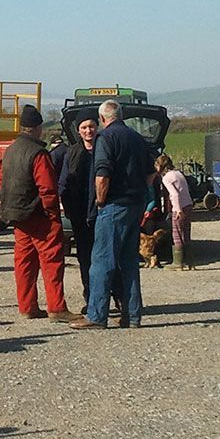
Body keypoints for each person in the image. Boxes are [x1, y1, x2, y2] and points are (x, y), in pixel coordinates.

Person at [71, 99, 154, 330]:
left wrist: (100, 201)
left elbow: (102, 175)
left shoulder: (105, 138)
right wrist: (142, 196)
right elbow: (151, 172)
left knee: (101, 261)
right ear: (121, 115)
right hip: (135, 205)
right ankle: (132, 315)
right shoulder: (137, 138)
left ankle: (97, 315)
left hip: (114, 205)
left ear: (102, 119)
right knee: (128, 261)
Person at [0, 105, 81, 322]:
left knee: (24, 262)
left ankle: (27, 306)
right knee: (52, 260)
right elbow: (47, 188)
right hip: (38, 215)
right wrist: (53, 215)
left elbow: (3, 182)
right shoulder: (38, 153)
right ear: (38, 127)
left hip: (18, 214)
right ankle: (56, 307)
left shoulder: (11, 149)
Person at [57, 110, 97, 314]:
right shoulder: (71, 153)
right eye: (84, 127)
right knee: (85, 259)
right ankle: (90, 298)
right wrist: (65, 206)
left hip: (102, 214)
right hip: (80, 215)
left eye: (91, 126)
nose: (88, 130)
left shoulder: (105, 148)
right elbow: (63, 182)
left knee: (108, 258)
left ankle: (116, 298)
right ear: (78, 131)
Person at [156, 154, 194, 271]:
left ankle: (178, 263)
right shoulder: (178, 173)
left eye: (157, 165)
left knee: (176, 234)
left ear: (161, 166)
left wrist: (177, 210)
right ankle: (190, 262)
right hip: (188, 205)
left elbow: (174, 194)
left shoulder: (166, 178)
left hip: (180, 207)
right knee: (186, 234)